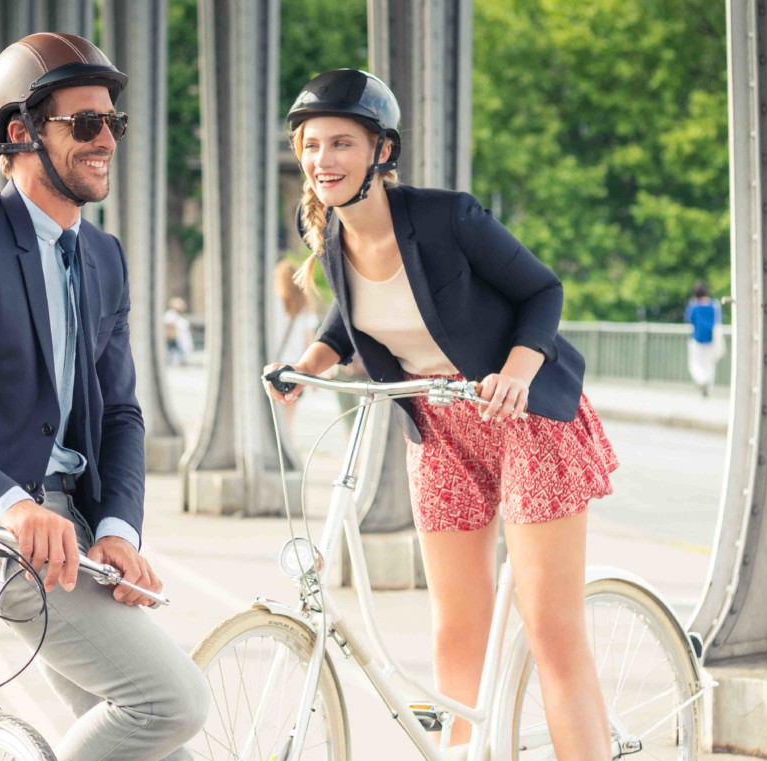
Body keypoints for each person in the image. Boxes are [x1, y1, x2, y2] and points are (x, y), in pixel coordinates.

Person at [0, 33, 207, 761]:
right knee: (173, 702)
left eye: (112, 123)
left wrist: (121, 526)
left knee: (158, 750)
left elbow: (120, 412)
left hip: (73, 531)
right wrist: (11, 504)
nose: (105, 141)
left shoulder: (102, 255)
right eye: (84, 124)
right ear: (21, 132)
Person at [264, 69, 619, 758]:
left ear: (381, 152)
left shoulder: (446, 216)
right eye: (311, 146)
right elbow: (355, 312)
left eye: (341, 143)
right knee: (456, 625)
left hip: (521, 414)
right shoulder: (334, 239)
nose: (322, 160)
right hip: (438, 424)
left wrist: (517, 372)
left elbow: (542, 290)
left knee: (549, 627)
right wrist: (310, 364)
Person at [272, 260, 320, 429]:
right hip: (295, 369)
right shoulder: (305, 307)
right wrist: (312, 375)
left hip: (274, 366)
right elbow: (310, 342)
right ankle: (287, 449)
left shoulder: (273, 304)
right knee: (288, 419)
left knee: (273, 419)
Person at [684, 280, 723, 397]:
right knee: (709, 364)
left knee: (695, 364)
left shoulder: (694, 305)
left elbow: (688, 318)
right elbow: (719, 320)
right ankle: (709, 388)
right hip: (711, 339)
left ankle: (702, 380)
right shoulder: (714, 305)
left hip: (697, 338)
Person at [162, 296, 193, 365]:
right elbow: (169, 326)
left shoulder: (179, 316)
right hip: (175, 339)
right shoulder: (170, 315)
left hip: (181, 339)